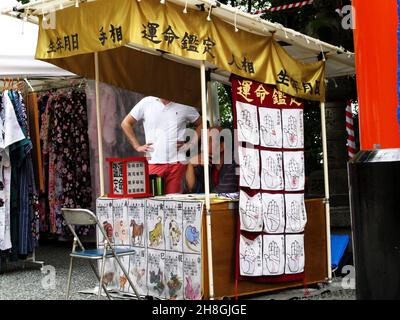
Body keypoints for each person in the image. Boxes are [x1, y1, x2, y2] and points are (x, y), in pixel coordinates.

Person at [121, 96, 202, 194]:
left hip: (177, 163)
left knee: (174, 203)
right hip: (154, 162)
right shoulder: (146, 102)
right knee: (153, 202)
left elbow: (202, 124)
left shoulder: (183, 104)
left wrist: (190, 144)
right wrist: (137, 146)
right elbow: (125, 123)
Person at [183, 127, 238, 194]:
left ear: (221, 146)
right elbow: (189, 190)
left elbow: (221, 194)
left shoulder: (233, 163)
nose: (203, 146)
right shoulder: (204, 163)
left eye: (208, 141)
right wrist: (190, 165)